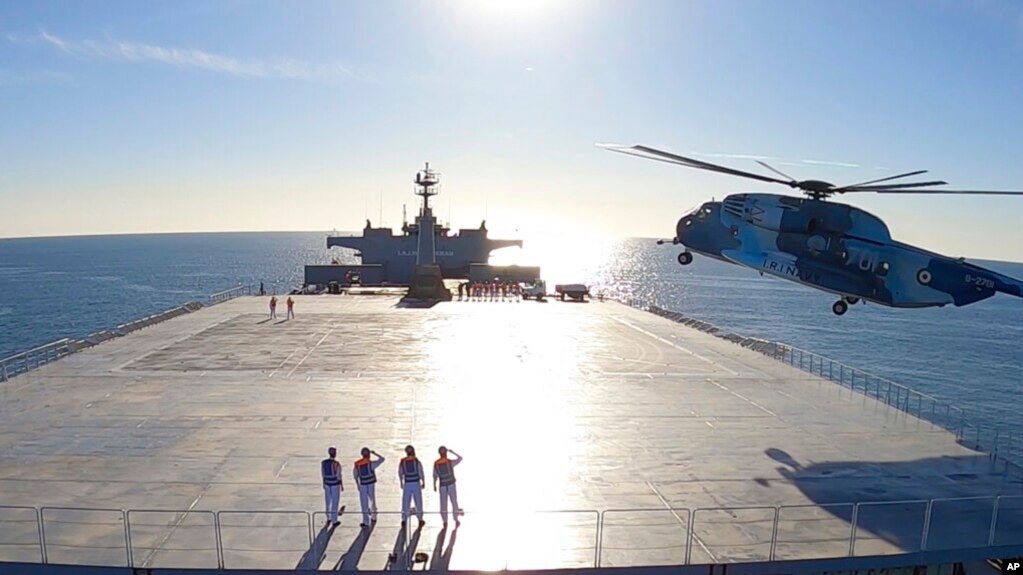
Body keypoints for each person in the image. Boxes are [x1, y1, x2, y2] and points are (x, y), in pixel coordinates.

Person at [353, 447, 385, 528]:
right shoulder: (371, 464)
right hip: (370, 484)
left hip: (363, 484)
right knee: (372, 500)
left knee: (364, 503)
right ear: (369, 455)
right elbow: (382, 459)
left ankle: (365, 521)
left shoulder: (357, 464)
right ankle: (374, 517)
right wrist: (374, 453)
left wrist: (357, 485)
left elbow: (355, 475)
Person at [433, 446, 464, 528]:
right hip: (451, 484)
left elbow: (435, 475)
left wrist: (434, 485)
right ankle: (456, 519)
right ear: (446, 453)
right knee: (454, 502)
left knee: (443, 504)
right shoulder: (449, 462)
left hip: (443, 485)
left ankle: (445, 521)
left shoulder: (436, 463)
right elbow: (460, 458)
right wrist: (452, 452)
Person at [399, 445, 425, 526]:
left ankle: (404, 518)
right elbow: (421, 472)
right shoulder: (416, 461)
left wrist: (401, 482)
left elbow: (400, 472)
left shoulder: (403, 461)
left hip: (407, 483)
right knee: (418, 501)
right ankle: (420, 518)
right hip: (416, 483)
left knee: (406, 501)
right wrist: (423, 482)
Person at [321, 446, 344, 526]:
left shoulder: (323, 463)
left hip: (327, 483)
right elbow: (339, 476)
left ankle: (328, 518)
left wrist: (324, 483)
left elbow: (323, 474)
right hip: (335, 484)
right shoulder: (337, 464)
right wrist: (341, 484)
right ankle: (334, 520)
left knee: (328, 501)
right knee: (335, 502)